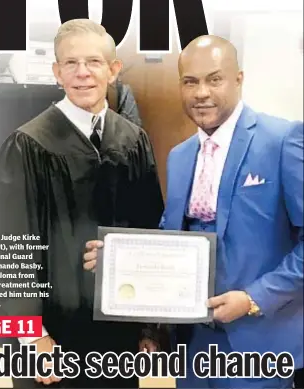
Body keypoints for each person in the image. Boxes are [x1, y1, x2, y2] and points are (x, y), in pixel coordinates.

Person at [83, 35, 303, 388]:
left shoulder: (282, 140)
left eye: (214, 79)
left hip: (260, 344)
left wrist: (253, 299)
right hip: (194, 346)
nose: (201, 92)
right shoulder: (181, 156)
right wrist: (120, 258)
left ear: (239, 80)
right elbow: (173, 237)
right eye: (190, 81)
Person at [0, 19, 165, 388]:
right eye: (71, 63)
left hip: (118, 330)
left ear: (113, 71)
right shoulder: (28, 144)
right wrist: (31, 337)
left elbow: (150, 231)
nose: (83, 73)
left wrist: (149, 326)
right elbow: (6, 248)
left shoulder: (133, 141)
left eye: (94, 62)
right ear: (57, 72)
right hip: (52, 334)